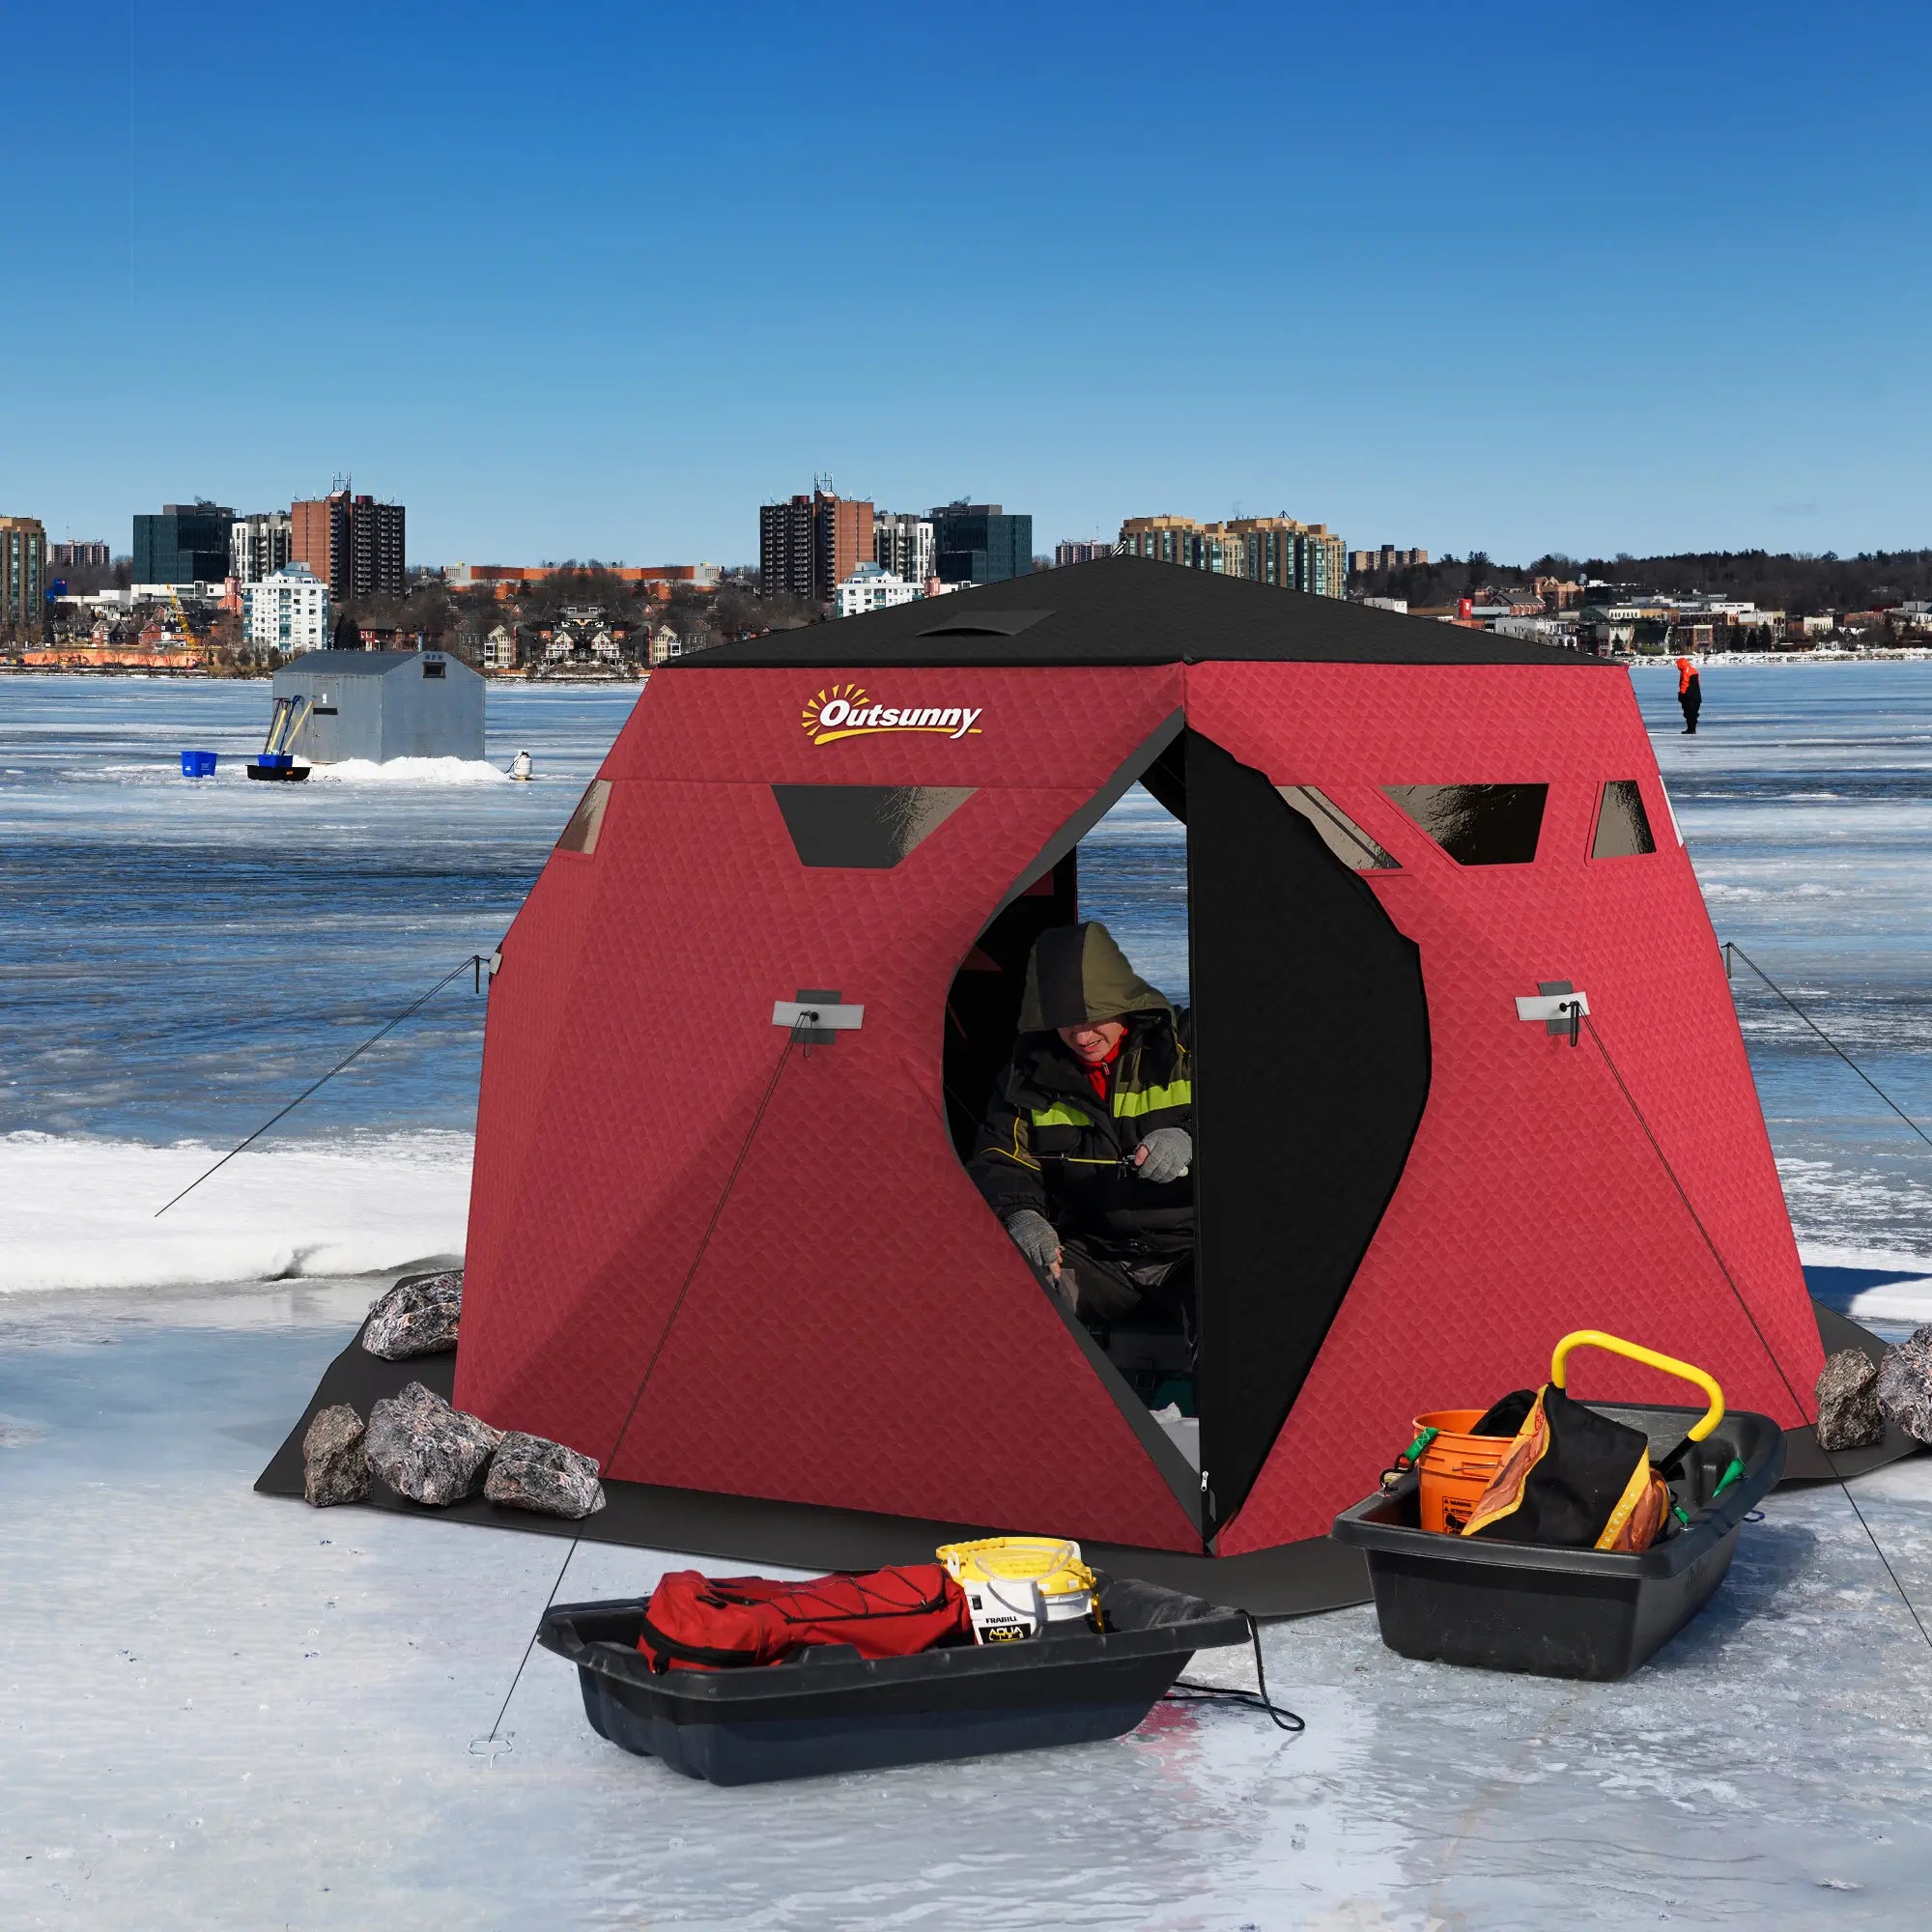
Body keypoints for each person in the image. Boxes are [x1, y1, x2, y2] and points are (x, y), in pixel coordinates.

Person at [967, 922, 1193, 1326]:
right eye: (1067, 1021)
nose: (1082, 1036)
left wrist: (1189, 1137)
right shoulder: (1029, 1073)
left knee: (1234, 1313)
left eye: (1095, 1018)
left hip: (1195, 1252)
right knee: (1005, 1295)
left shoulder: (1189, 1045)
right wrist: (1021, 1215)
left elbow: (1259, 1120)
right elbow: (1000, 1157)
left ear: (1124, 1001)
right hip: (1096, 1255)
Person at [1677, 657, 1702, 735]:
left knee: (1689, 713)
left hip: (1689, 696)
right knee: (1693, 713)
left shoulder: (1686, 671)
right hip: (1696, 695)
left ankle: (1691, 729)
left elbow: (1684, 683)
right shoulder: (1694, 670)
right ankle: (1692, 728)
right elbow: (1698, 682)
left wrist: (1681, 693)